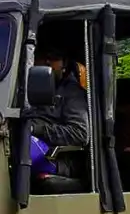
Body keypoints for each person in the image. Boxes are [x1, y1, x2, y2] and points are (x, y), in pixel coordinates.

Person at [27, 39, 90, 182]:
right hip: (27, 146)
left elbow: (80, 134)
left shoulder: (72, 93)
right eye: (43, 57)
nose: (48, 63)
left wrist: (37, 129)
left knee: (25, 145)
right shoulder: (24, 90)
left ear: (65, 63)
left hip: (57, 159)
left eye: (55, 58)